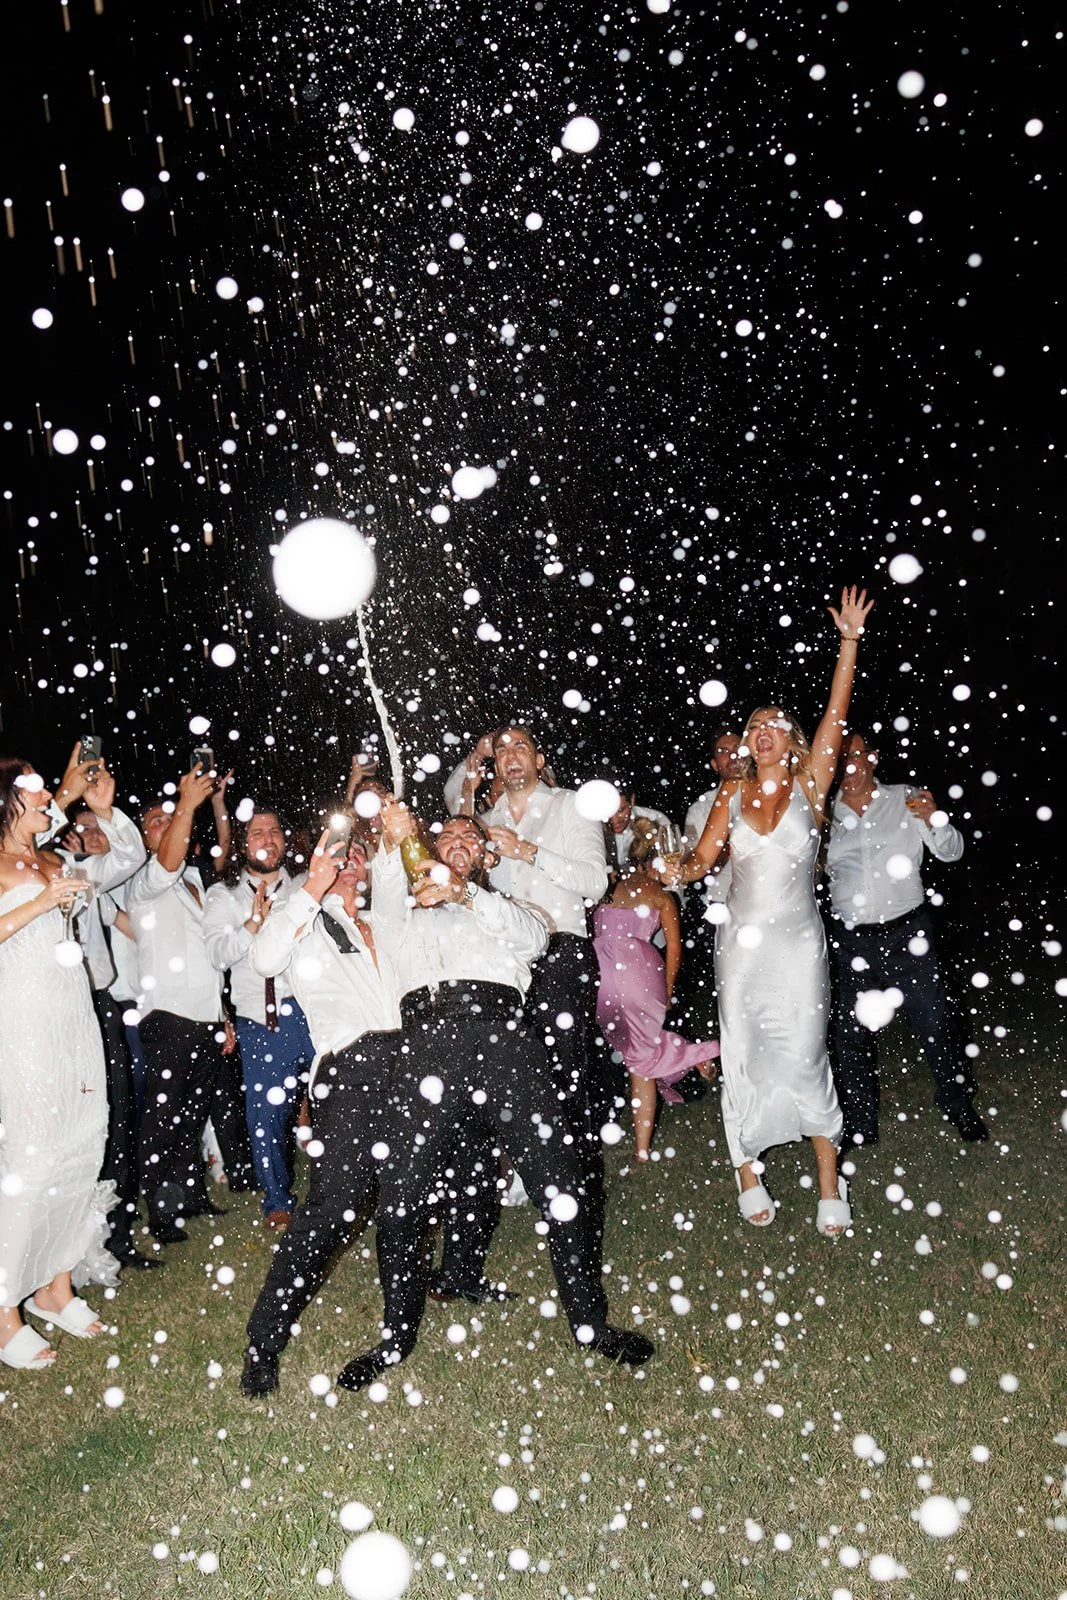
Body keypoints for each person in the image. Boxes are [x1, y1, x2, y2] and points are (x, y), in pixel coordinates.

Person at [329, 800, 653, 1393]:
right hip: (427, 1043)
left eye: (470, 836)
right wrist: (398, 837)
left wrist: (467, 894)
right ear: (430, 849)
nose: (458, 839)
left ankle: (590, 1325)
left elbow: (534, 939)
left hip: (507, 1041)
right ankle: (395, 1337)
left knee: (563, 1184)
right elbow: (392, 879)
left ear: (485, 856)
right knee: (401, 1198)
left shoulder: (510, 909)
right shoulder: (401, 910)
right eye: (446, 834)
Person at [675, 587, 874, 1235]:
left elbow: (836, 713)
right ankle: (746, 1171)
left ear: (789, 740)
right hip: (740, 947)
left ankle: (828, 1183)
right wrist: (670, 869)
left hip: (797, 946)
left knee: (806, 1053)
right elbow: (700, 863)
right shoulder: (728, 795)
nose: (761, 733)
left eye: (773, 725)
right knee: (742, 1053)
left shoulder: (812, 784)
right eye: (753, 727)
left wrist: (848, 642)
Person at [241, 818, 405, 1398]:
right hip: (351, 1067)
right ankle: (264, 1341)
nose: (350, 858)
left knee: (406, 1205)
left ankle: (397, 1335)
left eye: (358, 851)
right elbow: (263, 959)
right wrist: (312, 885)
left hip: (413, 1069)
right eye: (340, 852)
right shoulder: (306, 920)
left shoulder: (389, 921)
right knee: (333, 1210)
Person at [0, 750, 143, 1369]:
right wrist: (40, 902)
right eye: (34, 790)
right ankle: (4, 1309)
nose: (48, 799)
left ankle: (55, 1289)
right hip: (23, 1022)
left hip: (74, 1016)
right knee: (33, 1160)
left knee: (82, 1146)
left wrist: (103, 811)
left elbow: (124, 860)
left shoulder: (55, 859)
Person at [825, 730, 987, 1146]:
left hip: (907, 933)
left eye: (854, 756)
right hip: (851, 940)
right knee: (849, 1035)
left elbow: (951, 852)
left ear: (873, 758)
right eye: (839, 758)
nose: (847, 767)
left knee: (935, 1023)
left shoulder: (905, 797)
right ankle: (861, 1122)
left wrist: (936, 820)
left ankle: (958, 1105)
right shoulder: (824, 813)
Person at [126, 767, 250, 1244]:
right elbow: (168, 859)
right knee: (163, 1118)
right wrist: (185, 803)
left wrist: (224, 1018)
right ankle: (161, 1211)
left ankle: (191, 1196)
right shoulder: (144, 882)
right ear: (144, 839)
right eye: (154, 822)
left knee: (192, 1115)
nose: (164, 824)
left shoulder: (196, 882)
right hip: (168, 1015)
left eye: (169, 818)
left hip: (207, 1017)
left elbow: (210, 960)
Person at [204, 807, 315, 1229]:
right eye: (256, 832)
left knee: (339, 1100)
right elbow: (216, 955)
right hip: (262, 1018)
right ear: (242, 843)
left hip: (316, 1009)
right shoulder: (224, 895)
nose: (267, 838)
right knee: (268, 1113)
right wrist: (252, 925)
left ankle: (346, 1187)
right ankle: (277, 1198)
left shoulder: (306, 885)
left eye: (274, 831)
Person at [593, 816, 719, 1161]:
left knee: (634, 1054)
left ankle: (641, 1147)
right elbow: (674, 949)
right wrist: (666, 990)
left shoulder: (607, 885)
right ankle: (697, 1053)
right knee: (640, 1056)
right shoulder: (662, 896)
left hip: (602, 970)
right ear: (654, 863)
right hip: (639, 968)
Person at [66, 804, 154, 1269]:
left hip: (100, 1008)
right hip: (50, 1013)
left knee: (117, 1120)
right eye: (84, 827)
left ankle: (114, 1237)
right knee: (70, 1129)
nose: (92, 834)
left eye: (97, 827)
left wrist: (105, 809)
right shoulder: (41, 869)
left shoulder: (83, 874)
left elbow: (130, 855)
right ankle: (64, 1251)